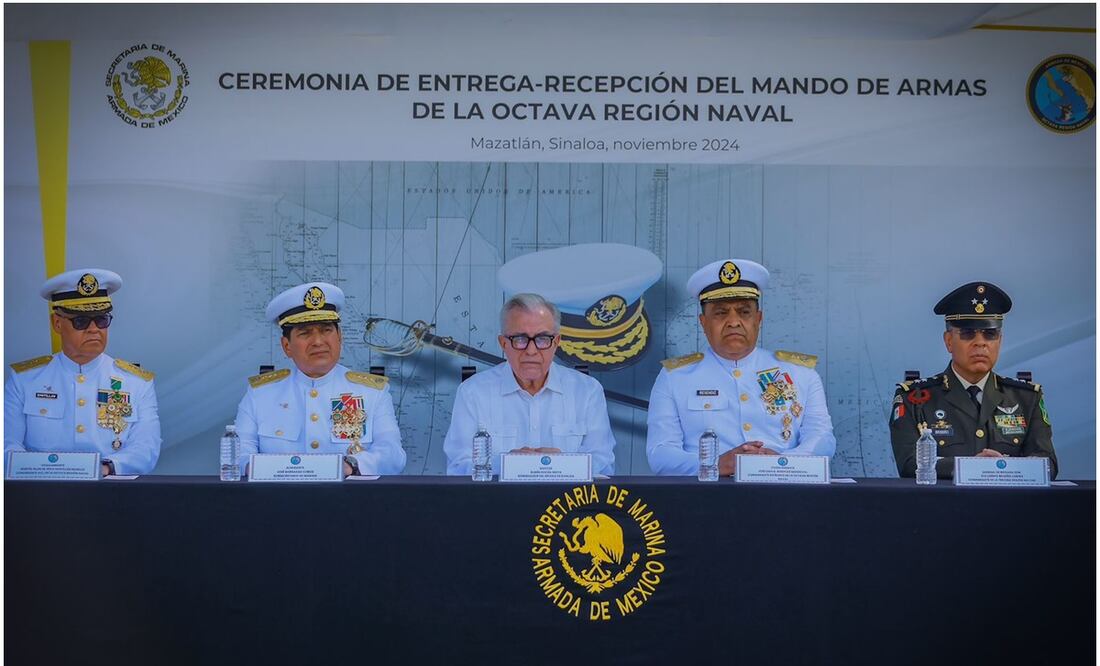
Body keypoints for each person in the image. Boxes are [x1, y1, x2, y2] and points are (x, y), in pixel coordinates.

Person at [646, 259, 835, 475]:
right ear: (703, 321)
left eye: (744, 312)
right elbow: (660, 454)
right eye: (720, 313)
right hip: (705, 497)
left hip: (784, 492)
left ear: (759, 319)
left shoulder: (801, 373)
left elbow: (823, 440)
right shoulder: (675, 377)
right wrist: (717, 464)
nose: (733, 322)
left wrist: (782, 462)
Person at [234, 282, 406, 477]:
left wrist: (351, 465)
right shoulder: (261, 393)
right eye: (305, 333)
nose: (318, 341)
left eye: (326, 330)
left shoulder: (372, 392)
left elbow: (393, 455)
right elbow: (238, 454)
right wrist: (270, 469)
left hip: (349, 502)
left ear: (339, 336)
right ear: (286, 346)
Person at [890, 282, 1057, 479]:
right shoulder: (915, 398)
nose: (981, 342)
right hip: (943, 506)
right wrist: (972, 467)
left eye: (990, 334)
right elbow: (909, 464)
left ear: (1000, 341)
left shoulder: (1026, 398)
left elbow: (1048, 464)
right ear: (948, 341)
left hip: (1011, 507)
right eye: (968, 333)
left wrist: (1002, 467)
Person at [5, 268, 161, 476]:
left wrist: (104, 468)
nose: (94, 329)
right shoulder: (25, 379)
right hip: (41, 493)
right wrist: (47, 470)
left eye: (102, 320)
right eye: (81, 321)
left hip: (110, 492)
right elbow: (6, 444)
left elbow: (146, 447)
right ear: (57, 323)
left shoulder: (136, 382)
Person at [443, 293, 616, 476]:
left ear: (556, 342)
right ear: (503, 343)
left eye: (542, 339)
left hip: (568, 503)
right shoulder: (473, 392)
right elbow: (457, 467)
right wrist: (506, 464)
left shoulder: (587, 390)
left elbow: (604, 465)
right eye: (520, 339)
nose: (531, 351)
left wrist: (562, 463)